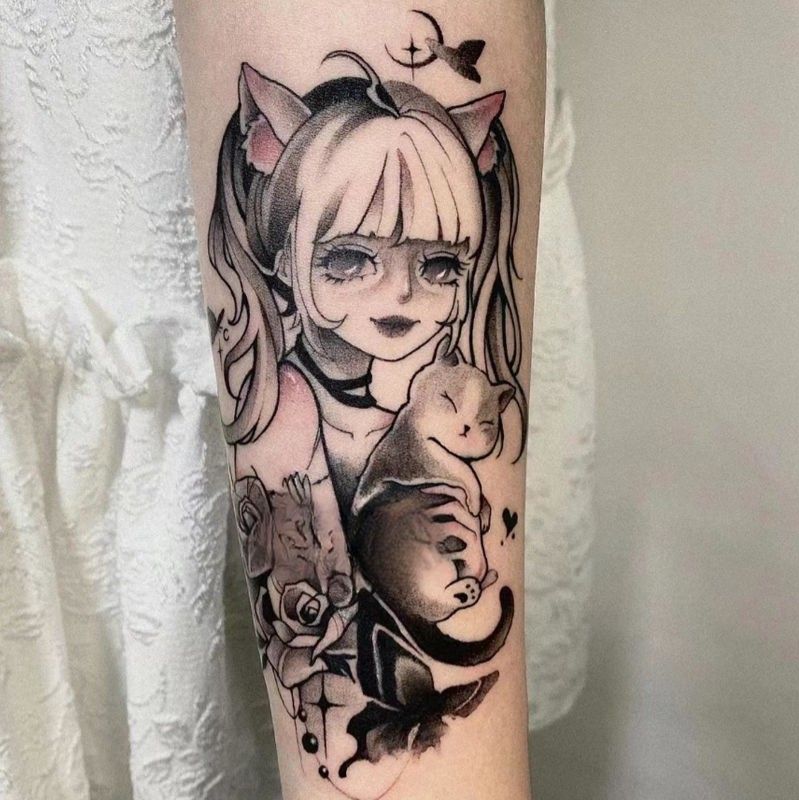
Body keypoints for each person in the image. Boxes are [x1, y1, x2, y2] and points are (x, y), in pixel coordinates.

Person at [175, 3, 545, 798]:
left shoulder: (433, 381)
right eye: (348, 259)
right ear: (284, 256)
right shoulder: (292, 405)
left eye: (440, 265)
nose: (401, 296)